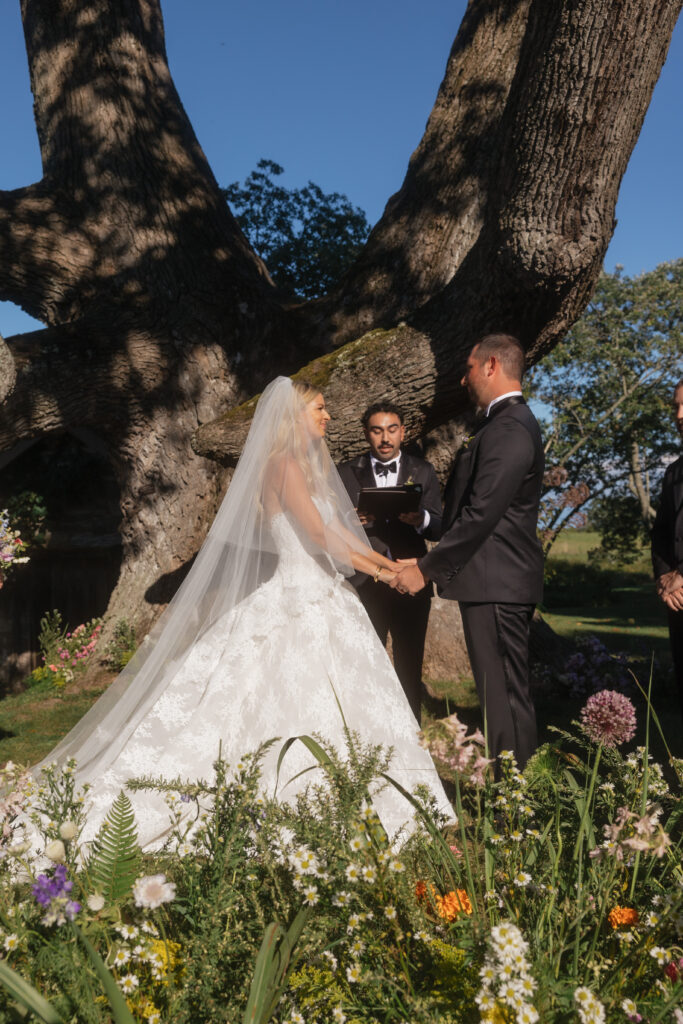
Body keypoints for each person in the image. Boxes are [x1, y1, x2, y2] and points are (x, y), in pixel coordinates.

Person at [31, 378, 452, 849]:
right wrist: (384, 573)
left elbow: (343, 533)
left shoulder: (306, 467)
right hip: (298, 594)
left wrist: (389, 567)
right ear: (293, 416)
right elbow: (318, 535)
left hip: (323, 592)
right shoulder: (283, 465)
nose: (327, 417)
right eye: (318, 409)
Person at [391, 334, 544, 769]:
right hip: (491, 580)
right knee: (498, 693)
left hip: (498, 581)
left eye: (470, 368)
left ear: (492, 365)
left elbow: (483, 514)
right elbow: (471, 513)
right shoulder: (500, 424)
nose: (464, 379)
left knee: (505, 697)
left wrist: (427, 569)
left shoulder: (510, 427)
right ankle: (511, 794)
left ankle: (515, 797)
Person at [337, 403, 442, 721]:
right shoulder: (345, 472)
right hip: (362, 581)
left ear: (403, 432)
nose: (385, 437)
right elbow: (324, 524)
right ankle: (364, 729)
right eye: (377, 430)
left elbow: (440, 525)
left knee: (410, 662)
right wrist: (350, 518)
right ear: (367, 433)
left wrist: (419, 518)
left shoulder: (423, 470)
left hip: (412, 579)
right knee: (364, 661)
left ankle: (412, 736)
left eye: (392, 429)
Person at [651, 377, 683, 721]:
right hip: (677, 602)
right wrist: (664, 578)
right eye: (675, 405)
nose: (679, 413)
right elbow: (660, 534)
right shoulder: (674, 472)